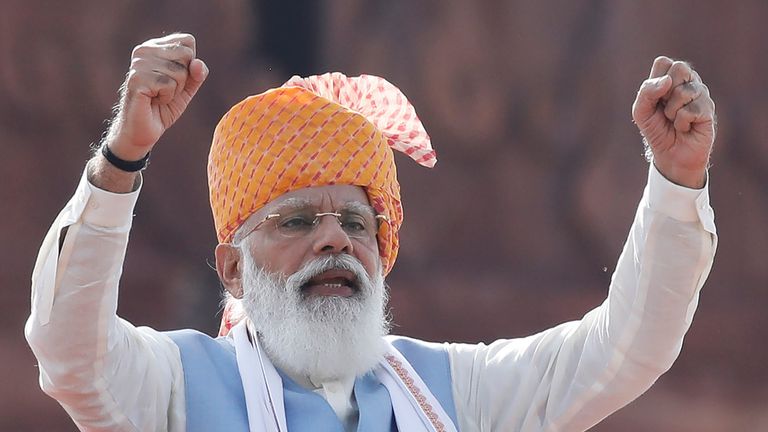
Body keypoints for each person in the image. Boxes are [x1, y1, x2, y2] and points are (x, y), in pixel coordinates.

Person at [25, 33, 717, 432]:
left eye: (357, 222)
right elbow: (70, 353)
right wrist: (120, 160)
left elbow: (625, 350)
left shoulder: (451, 390)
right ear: (232, 268)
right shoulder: (177, 388)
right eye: (297, 220)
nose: (335, 240)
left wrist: (677, 181)